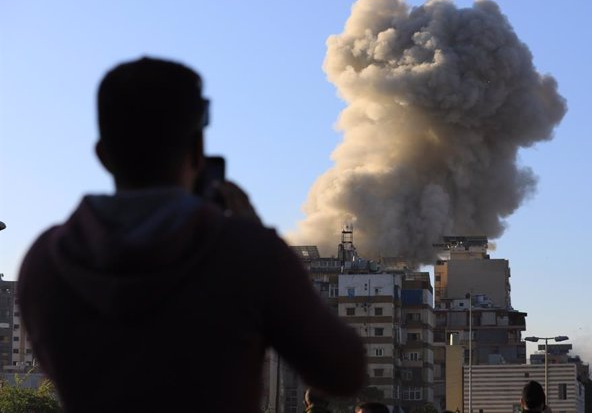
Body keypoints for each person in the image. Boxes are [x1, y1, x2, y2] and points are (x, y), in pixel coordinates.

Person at [18, 57, 366, 412]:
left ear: (103, 155)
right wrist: (261, 238)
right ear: (198, 152)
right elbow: (344, 373)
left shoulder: (46, 261)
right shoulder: (246, 254)